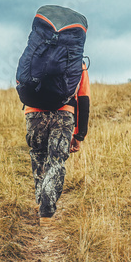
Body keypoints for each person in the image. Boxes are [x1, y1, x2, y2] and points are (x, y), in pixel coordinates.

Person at [24, 59, 90, 223]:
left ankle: (42, 203)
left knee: (38, 157)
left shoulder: (35, 56)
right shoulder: (77, 61)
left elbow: (22, 82)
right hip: (63, 114)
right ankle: (47, 208)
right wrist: (79, 134)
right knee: (56, 160)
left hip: (33, 114)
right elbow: (83, 98)